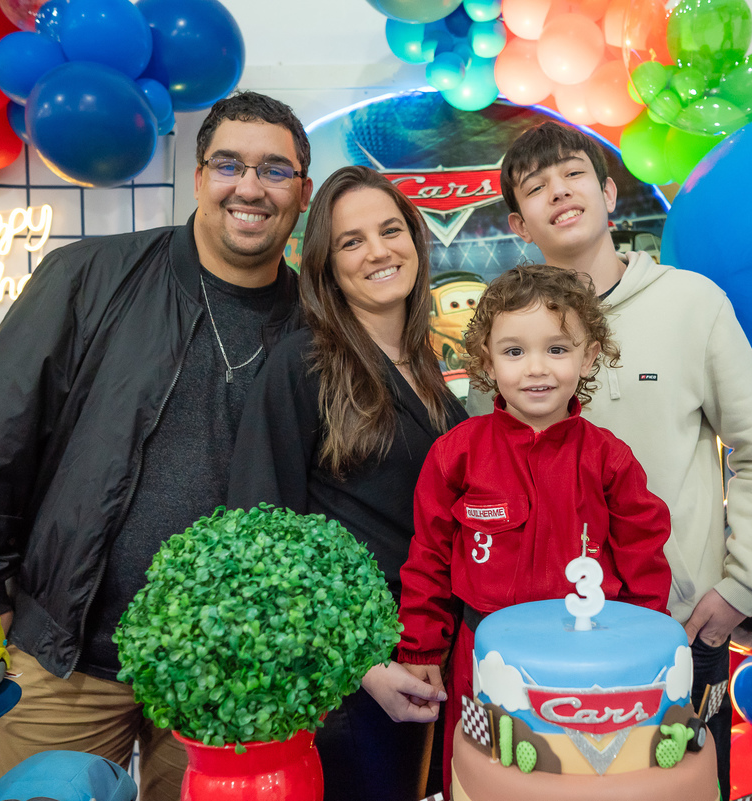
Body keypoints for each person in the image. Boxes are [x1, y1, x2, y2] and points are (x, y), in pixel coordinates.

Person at [0, 91, 314, 800]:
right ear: (198, 178)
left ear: (302, 192)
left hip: (224, 682)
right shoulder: (90, 277)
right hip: (67, 662)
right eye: (230, 164)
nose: (250, 186)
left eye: (275, 170)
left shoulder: (318, 322)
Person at [489, 120, 752, 801]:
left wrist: (740, 585)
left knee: (684, 787)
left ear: (607, 192)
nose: (559, 193)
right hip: (550, 634)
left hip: (680, 625)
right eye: (537, 187)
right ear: (520, 222)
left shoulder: (693, 303)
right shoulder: (513, 327)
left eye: (573, 175)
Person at [227, 165, 469, 801]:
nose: (378, 251)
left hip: (433, 659)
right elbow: (263, 540)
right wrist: (362, 668)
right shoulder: (302, 364)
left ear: (416, 240)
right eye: (351, 241)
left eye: (391, 230)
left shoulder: (427, 365)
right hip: (359, 683)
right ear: (326, 266)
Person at [396, 263, 673, 783]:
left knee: (582, 782)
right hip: (480, 661)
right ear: (487, 360)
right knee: (482, 778)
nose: (537, 369)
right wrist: (420, 647)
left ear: (589, 356)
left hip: (592, 673)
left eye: (558, 349)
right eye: (515, 351)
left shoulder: (609, 459)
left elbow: (645, 554)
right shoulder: (455, 455)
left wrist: (645, 650)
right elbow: (428, 558)